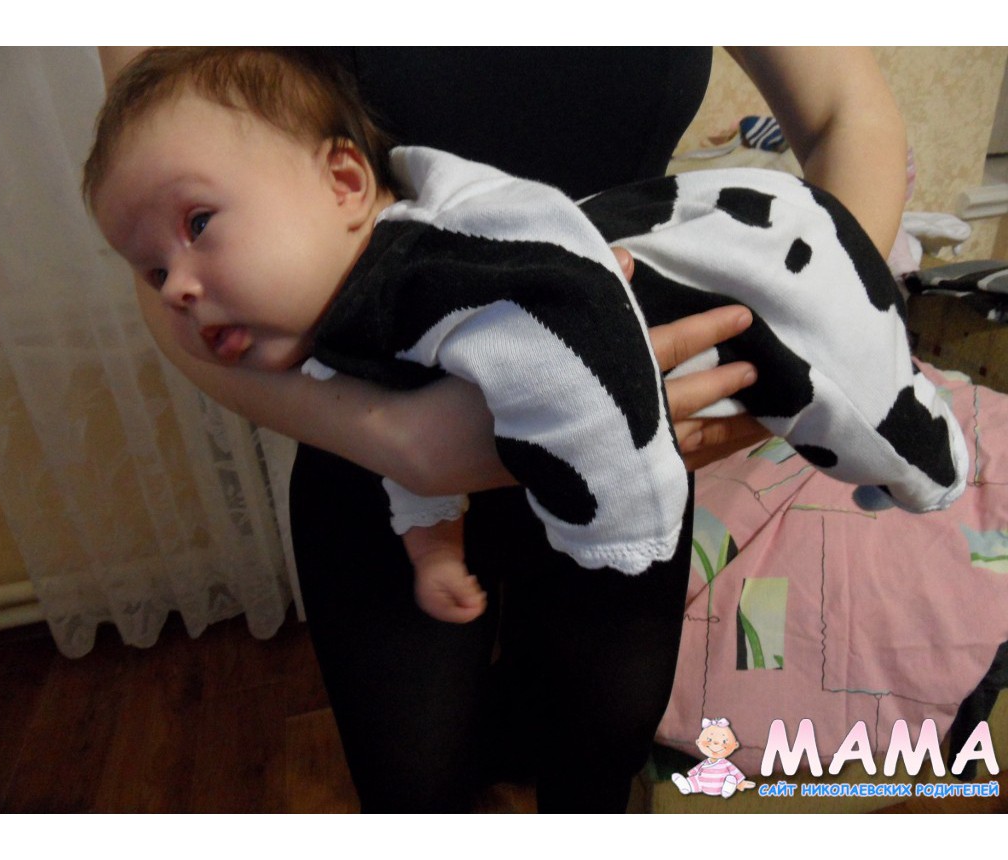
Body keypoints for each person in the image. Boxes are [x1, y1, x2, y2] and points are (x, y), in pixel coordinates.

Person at [95, 47, 910, 812]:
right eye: (158, 271)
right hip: (366, 453)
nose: (174, 289)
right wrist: (400, 440)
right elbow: (157, 208)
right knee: (416, 791)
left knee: (599, 761)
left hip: (627, 443)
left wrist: (796, 346)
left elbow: (846, 114)